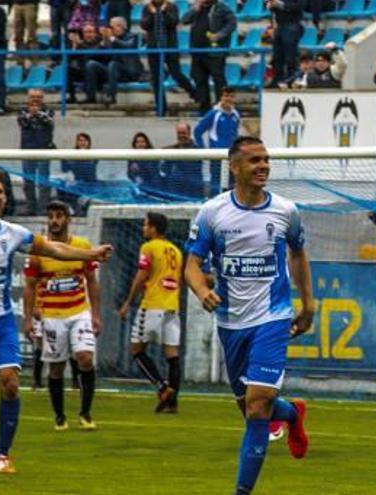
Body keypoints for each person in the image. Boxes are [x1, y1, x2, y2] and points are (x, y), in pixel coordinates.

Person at [0, 168, 111, 474]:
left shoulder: (11, 233)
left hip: (0, 325)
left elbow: (53, 247)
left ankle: (2, 456)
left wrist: (90, 253)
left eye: (0, 191)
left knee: (11, 383)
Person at [184, 136, 313, 495]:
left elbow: (299, 255)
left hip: (273, 317)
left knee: (258, 406)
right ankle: (291, 414)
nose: (263, 166)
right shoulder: (213, 212)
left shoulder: (286, 211)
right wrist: (201, 290)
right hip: (230, 321)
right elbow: (191, 264)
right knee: (251, 408)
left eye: (266, 160)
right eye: (254, 160)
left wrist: (308, 303)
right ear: (235, 166)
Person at [22, 201, 101, 431]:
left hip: (79, 311)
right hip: (52, 316)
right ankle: (59, 416)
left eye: (59, 216)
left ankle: (85, 413)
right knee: (56, 368)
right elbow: (29, 285)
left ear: (68, 220)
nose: (54, 220)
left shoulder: (82, 246)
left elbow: (92, 282)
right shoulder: (39, 250)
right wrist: (28, 318)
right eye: (51, 216)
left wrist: (95, 314)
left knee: (85, 358)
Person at [117, 212, 184, 413]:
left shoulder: (148, 247)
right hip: (172, 307)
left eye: (146, 225)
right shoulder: (176, 250)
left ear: (154, 228)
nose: (143, 228)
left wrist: (128, 301)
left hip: (153, 305)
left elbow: (142, 274)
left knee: (137, 351)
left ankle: (162, 388)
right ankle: (172, 403)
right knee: (172, 356)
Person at [141, 0, 197, 113]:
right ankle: (161, 108)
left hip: (169, 46)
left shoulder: (171, 7)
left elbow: (173, 23)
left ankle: (195, 94)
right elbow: (144, 25)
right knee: (156, 79)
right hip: (153, 47)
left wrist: (163, 12)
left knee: (176, 74)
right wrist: (152, 14)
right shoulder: (147, 8)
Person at [182, 0, 236, 114]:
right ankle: (204, 107)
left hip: (214, 51)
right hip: (197, 50)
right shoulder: (196, 8)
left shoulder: (221, 7)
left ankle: (221, 106)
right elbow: (184, 20)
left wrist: (219, 35)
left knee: (218, 79)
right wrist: (194, 9)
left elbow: (232, 23)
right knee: (199, 79)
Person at [86, 17, 143, 105]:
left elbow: (128, 47)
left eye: (112, 27)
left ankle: (111, 96)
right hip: (112, 72)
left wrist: (112, 38)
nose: (110, 29)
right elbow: (93, 56)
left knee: (113, 64)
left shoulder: (131, 37)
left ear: (121, 26)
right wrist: (103, 43)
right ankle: (91, 97)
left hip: (128, 71)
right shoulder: (110, 39)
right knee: (91, 64)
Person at [194, 87, 240, 195]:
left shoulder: (236, 115)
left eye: (231, 96)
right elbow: (197, 131)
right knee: (216, 185)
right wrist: (203, 150)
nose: (228, 99)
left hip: (232, 157)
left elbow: (235, 134)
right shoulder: (214, 114)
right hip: (217, 157)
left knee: (232, 185)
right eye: (226, 96)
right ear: (221, 97)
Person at [18, 89, 55, 216]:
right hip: (27, 150)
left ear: (42, 98)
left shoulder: (48, 110)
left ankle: (43, 208)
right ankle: (30, 207)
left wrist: (37, 113)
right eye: (33, 97)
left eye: (38, 97)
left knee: (44, 181)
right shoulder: (23, 111)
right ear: (28, 98)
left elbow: (49, 122)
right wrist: (31, 114)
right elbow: (22, 122)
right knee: (28, 180)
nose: (35, 99)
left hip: (44, 150)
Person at [268, 0, 306, 87]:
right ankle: (278, 80)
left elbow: (299, 5)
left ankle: (292, 78)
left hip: (293, 23)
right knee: (277, 56)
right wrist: (271, 5)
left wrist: (280, 4)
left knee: (290, 54)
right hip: (279, 25)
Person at [59, 132, 98, 215]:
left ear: (89, 142)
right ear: (77, 142)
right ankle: (72, 209)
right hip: (75, 184)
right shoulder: (71, 155)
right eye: (80, 140)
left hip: (89, 185)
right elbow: (65, 170)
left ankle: (81, 209)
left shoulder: (94, 156)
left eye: (85, 140)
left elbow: (89, 171)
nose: (82, 143)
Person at [164, 121, 204, 198]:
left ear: (189, 133)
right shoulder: (171, 150)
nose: (181, 135)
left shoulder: (197, 150)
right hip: (176, 190)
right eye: (179, 133)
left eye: (183, 133)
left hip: (193, 190)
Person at [67, 23, 104, 104]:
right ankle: (71, 97)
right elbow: (69, 58)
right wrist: (74, 46)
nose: (88, 34)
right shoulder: (81, 43)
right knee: (67, 68)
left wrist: (80, 44)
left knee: (90, 65)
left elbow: (93, 53)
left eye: (91, 32)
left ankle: (91, 98)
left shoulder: (100, 42)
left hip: (98, 73)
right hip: (83, 71)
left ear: (95, 33)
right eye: (86, 32)